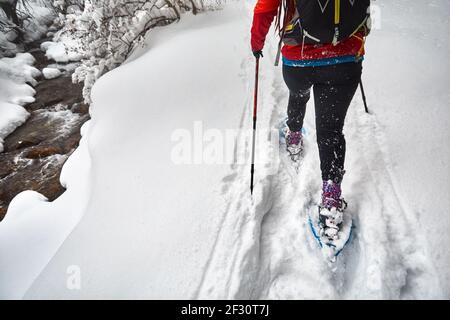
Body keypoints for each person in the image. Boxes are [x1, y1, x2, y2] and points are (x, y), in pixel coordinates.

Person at [251, 0, 370, 239]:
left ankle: (294, 135)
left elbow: (265, 8)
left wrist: (257, 42)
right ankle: (331, 197)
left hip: (299, 60)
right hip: (345, 61)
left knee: (299, 94)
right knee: (330, 130)